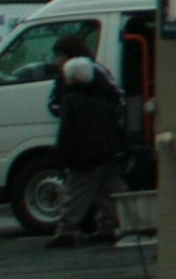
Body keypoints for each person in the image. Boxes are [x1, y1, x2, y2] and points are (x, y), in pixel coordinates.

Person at [47, 50, 129, 247]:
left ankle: (67, 231)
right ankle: (108, 226)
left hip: (85, 156)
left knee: (76, 193)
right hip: (109, 152)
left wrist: (63, 156)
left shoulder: (71, 100)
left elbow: (67, 132)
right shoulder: (103, 98)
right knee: (108, 191)